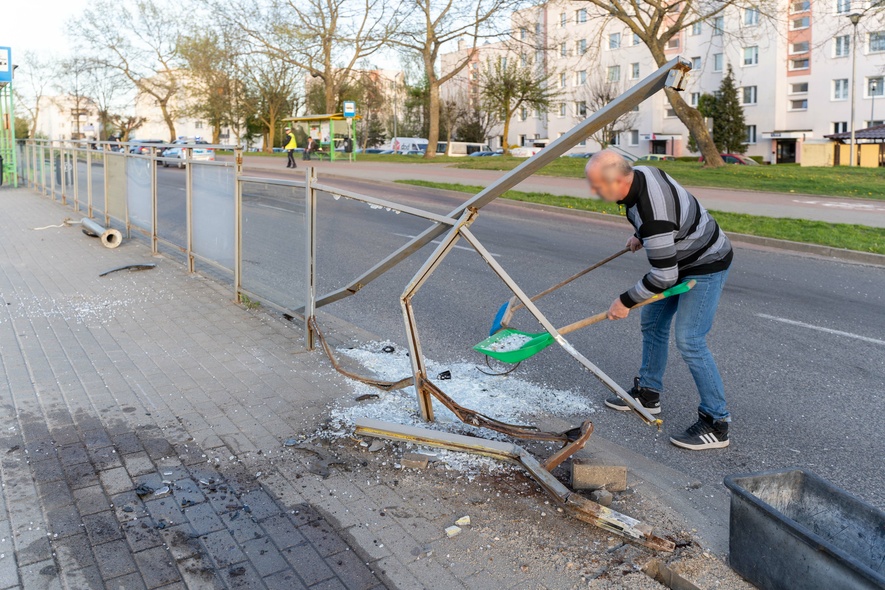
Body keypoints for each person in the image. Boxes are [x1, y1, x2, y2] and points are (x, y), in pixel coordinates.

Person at [584, 150, 734, 450]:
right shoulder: (640, 173)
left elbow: (663, 277)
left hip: (705, 263)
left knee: (690, 340)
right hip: (678, 256)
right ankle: (648, 395)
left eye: (597, 185)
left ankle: (717, 423)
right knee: (652, 322)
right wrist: (642, 233)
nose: (593, 191)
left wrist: (624, 301)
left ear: (618, 181)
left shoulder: (656, 217)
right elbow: (666, 215)